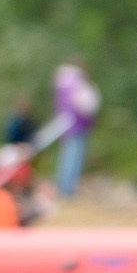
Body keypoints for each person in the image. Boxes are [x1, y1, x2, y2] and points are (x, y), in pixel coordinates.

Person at [50, 59, 101, 199]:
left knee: (67, 157)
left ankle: (63, 187)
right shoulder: (77, 83)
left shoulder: (62, 83)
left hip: (66, 125)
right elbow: (86, 104)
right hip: (78, 125)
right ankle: (67, 190)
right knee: (73, 158)